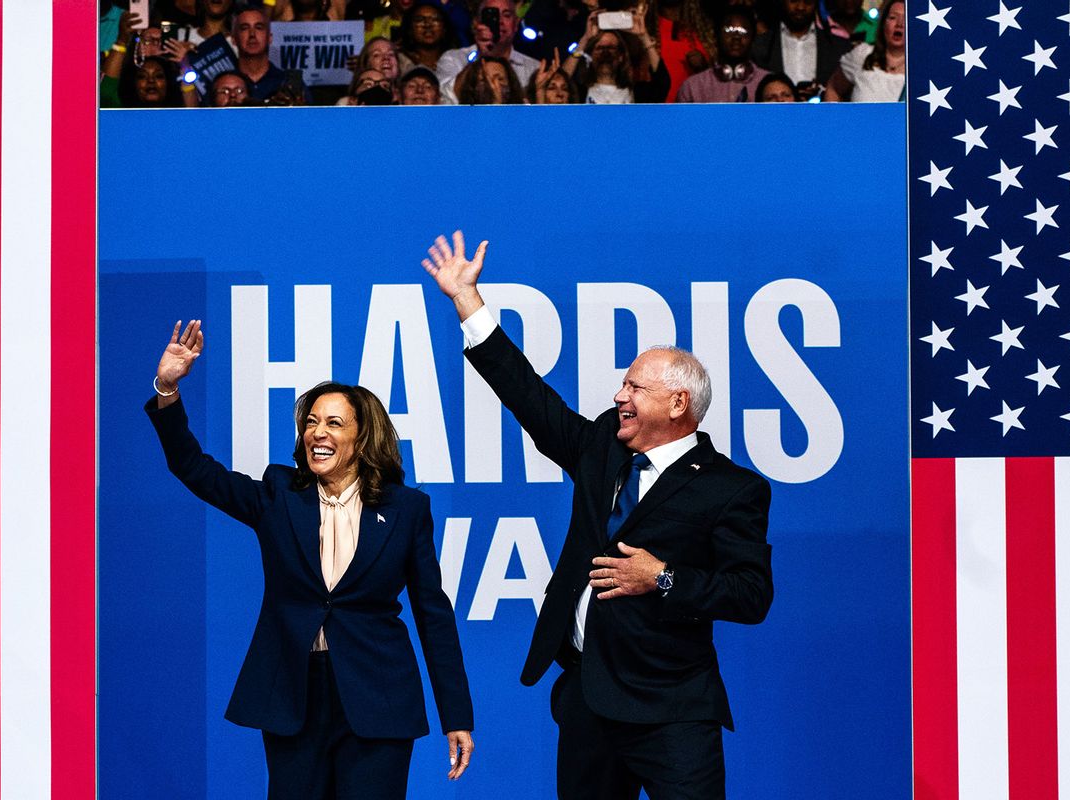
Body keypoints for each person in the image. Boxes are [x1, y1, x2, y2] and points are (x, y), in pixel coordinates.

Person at [422, 232, 773, 800]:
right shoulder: (603, 449)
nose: (619, 395)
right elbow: (529, 397)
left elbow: (750, 594)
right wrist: (467, 302)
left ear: (678, 403)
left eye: (634, 385)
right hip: (588, 702)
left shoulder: (733, 489)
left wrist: (661, 578)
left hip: (672, 712)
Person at [146, 320, 475, 800]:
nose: (317, 433)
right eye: (311, 422)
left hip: (377, 696)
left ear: (362, 440)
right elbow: (193, 468)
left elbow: (433, 614)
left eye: (334, 423)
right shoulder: (279, 495)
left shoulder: (405, 510)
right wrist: (168, 388)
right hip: (294, 696)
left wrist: (456, 714)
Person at [436, 0, 540, 104]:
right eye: (491, 15)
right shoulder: (454, 59)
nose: (499, 21)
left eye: (506, 15)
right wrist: (480, 56)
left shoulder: (534, 68)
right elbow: (445, 98)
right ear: (476, 22)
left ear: (516, 23)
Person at [750, 0, 851, 101]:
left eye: (808, 2)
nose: (801, 7)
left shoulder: (839, 47)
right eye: (794, 0)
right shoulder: (759, 46)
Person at [675, 8, 768, 103]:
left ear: (753, 38)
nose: (736, 37)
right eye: (728, 30)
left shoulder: (768, 83)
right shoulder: (692, 87)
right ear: (716, 35)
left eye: (743, 31)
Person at [824, 0, 903, 102]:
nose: (899, 24)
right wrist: (835, 117)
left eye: (905, 19)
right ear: (883, 23)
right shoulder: (862, 55)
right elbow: (833, 89)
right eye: (893, 18)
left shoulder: (920, 66)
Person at [233, 5, 288, 101]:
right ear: (234, 39)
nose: (252, 34)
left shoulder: (288, 83)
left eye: (259, 27)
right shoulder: (223, 84)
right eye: (244, 28)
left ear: (270, 38)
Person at [397, 2, 459, 72]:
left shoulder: (457, 61)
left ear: (444, 29)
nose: (428, 25)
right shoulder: (398, 62)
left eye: (435, 19)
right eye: (419, 20)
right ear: (410, 29)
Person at [453, 56, 526, 104]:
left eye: (499, 79)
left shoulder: (523, 117)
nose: (491, 85)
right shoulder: (461, 120)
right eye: (484, 79)